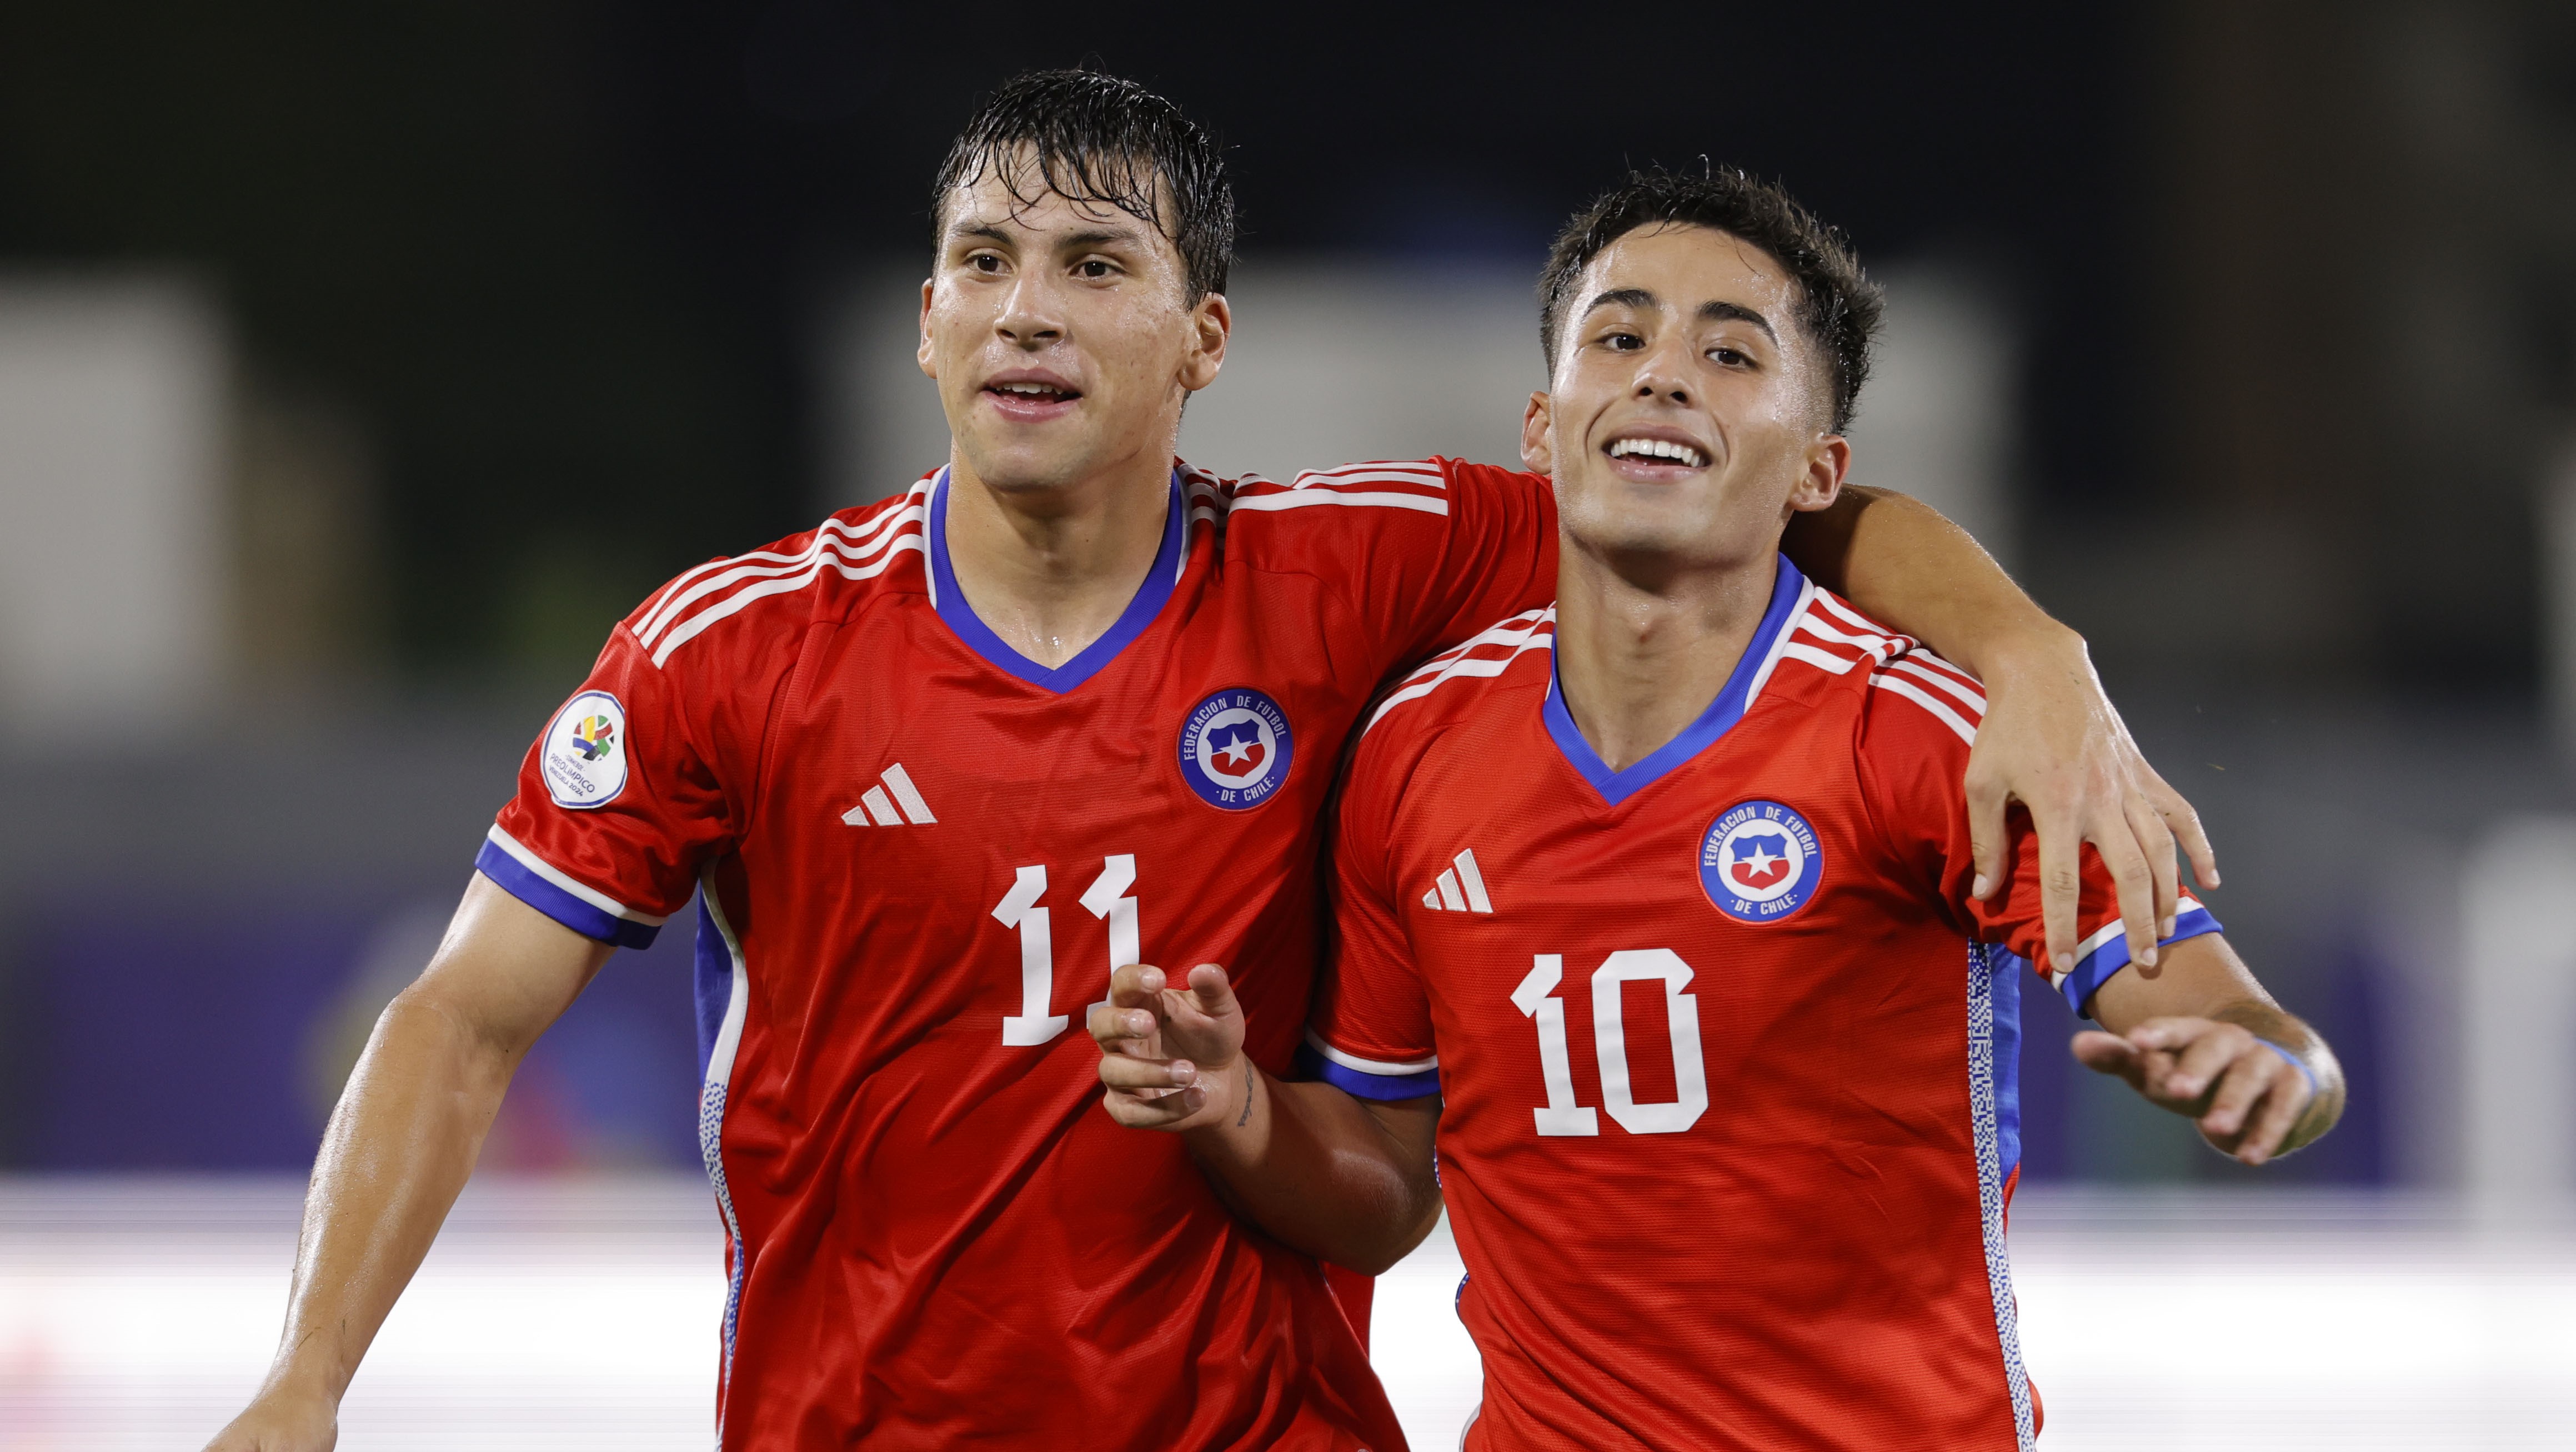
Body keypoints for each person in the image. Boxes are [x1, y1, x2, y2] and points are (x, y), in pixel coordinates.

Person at [209, 73, 2216, 1451]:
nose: (1027, 308)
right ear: (921, 322)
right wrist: (307, 1375)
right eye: (983, 259)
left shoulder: (1360, 565)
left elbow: (1740, 502)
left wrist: (2027, 653)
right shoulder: (733, 646)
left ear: (1202, 337)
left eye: (1095, 265)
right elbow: (466, 1014)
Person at [1088, 166, 2344, 1451]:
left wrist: (2270, 1071)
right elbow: (1380, 1181)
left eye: (1731, 352)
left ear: (1819, 472)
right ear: (1541, 426)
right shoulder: (1415, 750)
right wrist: (1232, 1103)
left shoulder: (1923, 736)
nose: (1663, 374)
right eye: (1619, 336)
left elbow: (2227, 1015)